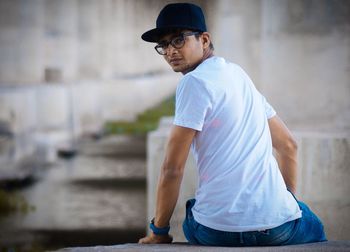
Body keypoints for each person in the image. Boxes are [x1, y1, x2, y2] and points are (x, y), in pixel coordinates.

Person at [139, 3, 327, 246]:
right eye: (163, 45)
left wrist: (158, 231)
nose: (169, 51)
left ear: (204, 40)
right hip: (278, 230)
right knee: (314, 226)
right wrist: (284, 202)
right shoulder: (239, 76)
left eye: (177, 40)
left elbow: (172, 168)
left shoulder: (193, 82)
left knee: (195, 212)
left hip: (215, 231)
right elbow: (288, 145)